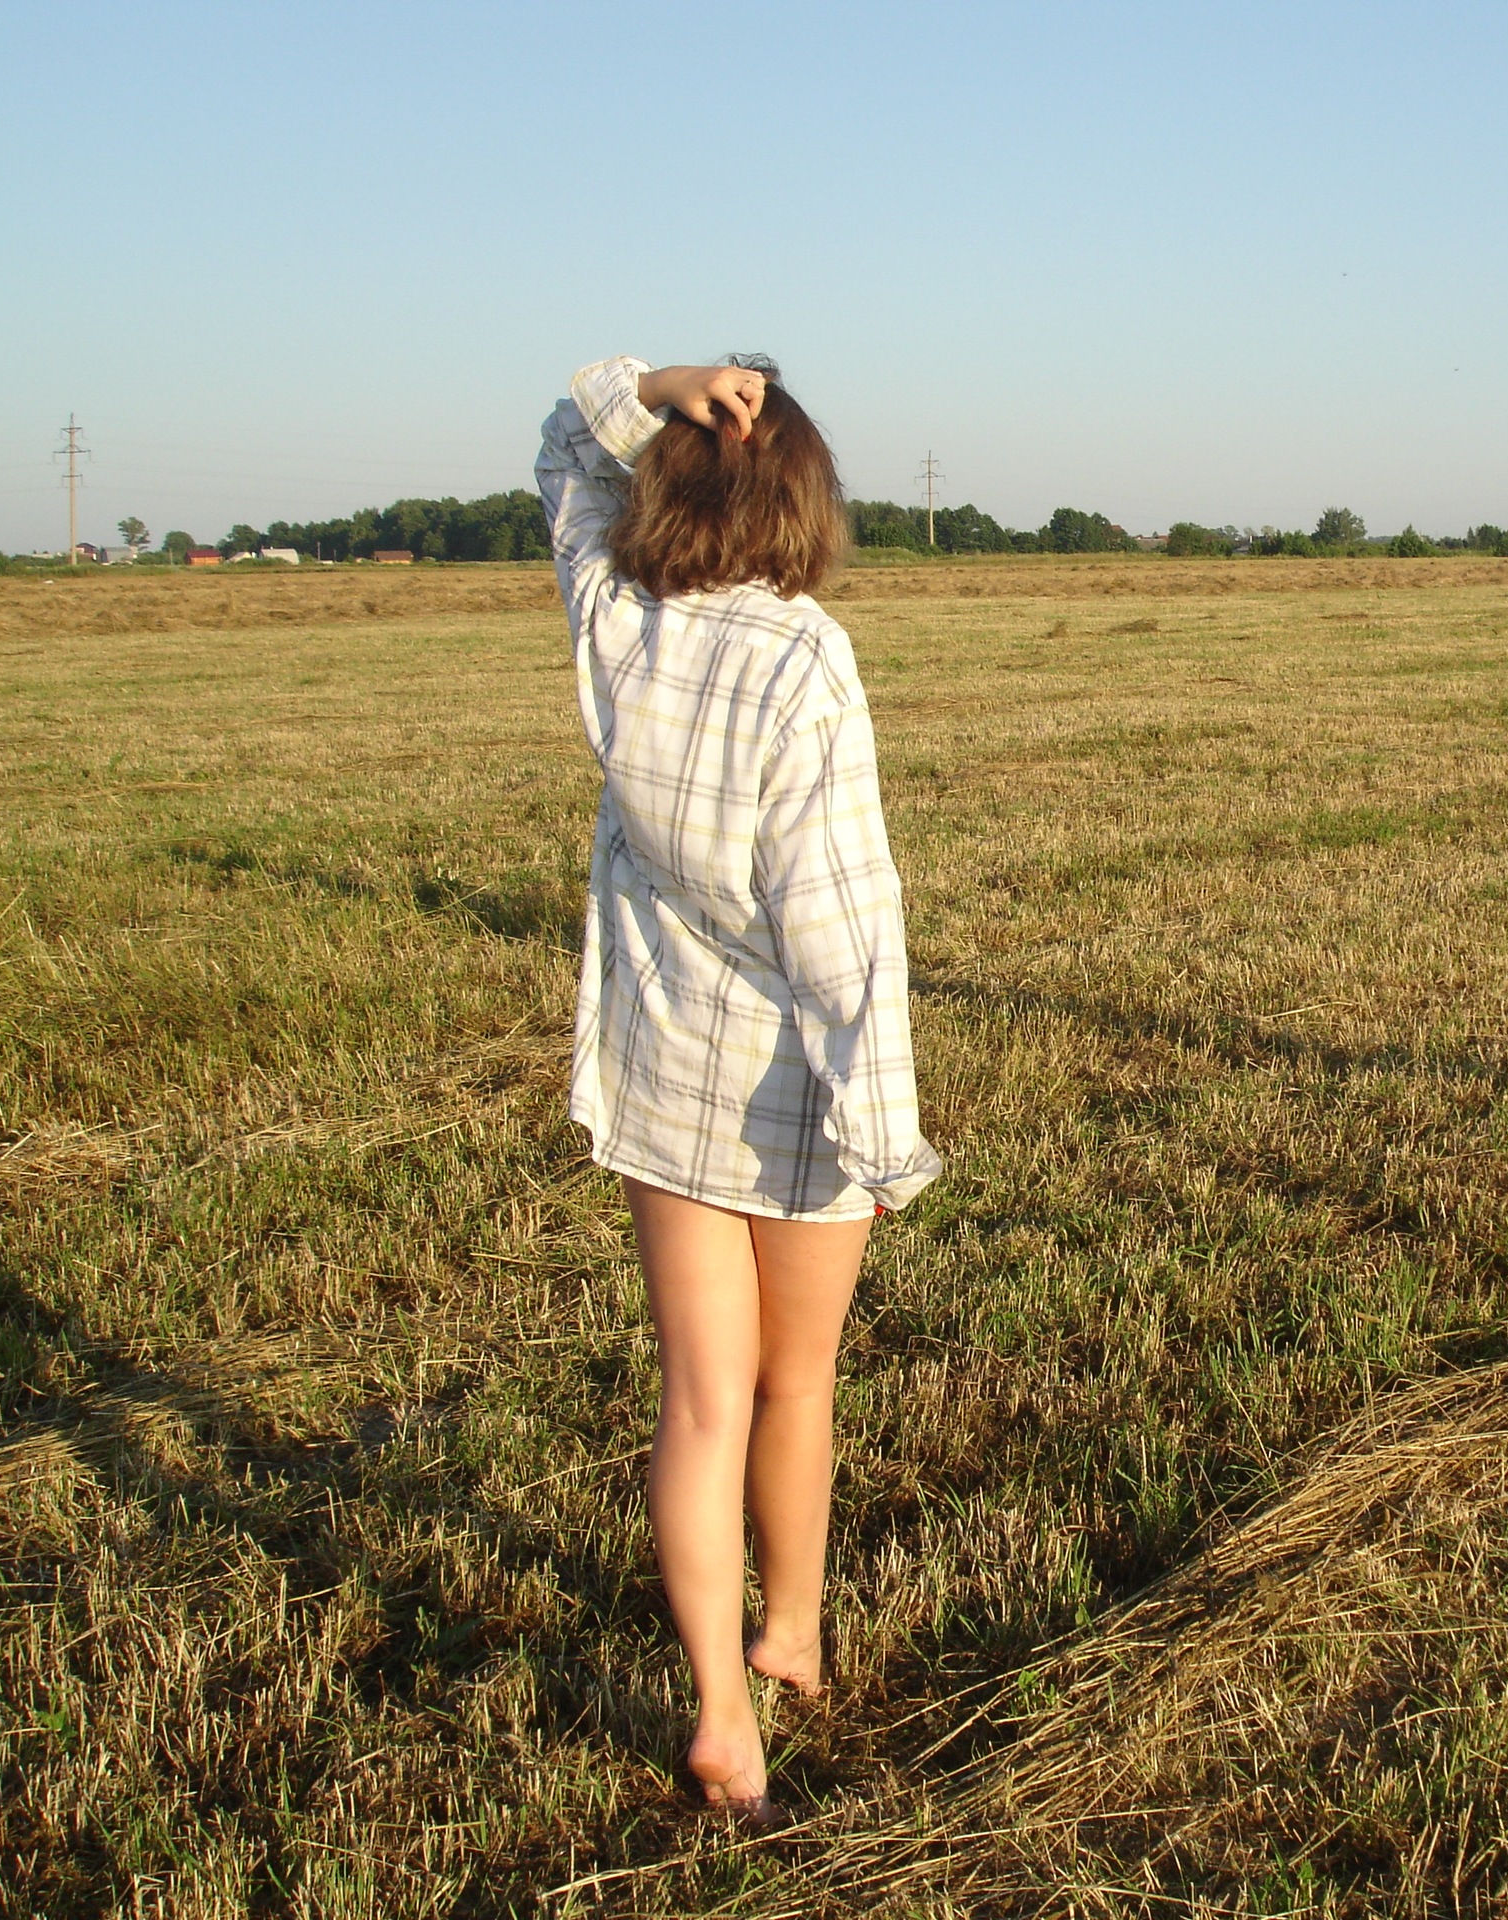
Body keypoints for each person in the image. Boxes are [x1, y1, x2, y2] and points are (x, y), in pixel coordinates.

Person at [535, 355, 943, 1824]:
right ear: (803, 500)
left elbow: (563, 438)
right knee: (797, 1383)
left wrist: (663, 382)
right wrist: (886, 1138)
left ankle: (722, 1712)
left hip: (663, 1082)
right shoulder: (803, 657)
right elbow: (841, 929)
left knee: (701, 1401)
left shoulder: (617, 621)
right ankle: (795, 1629)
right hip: (798, 1102)